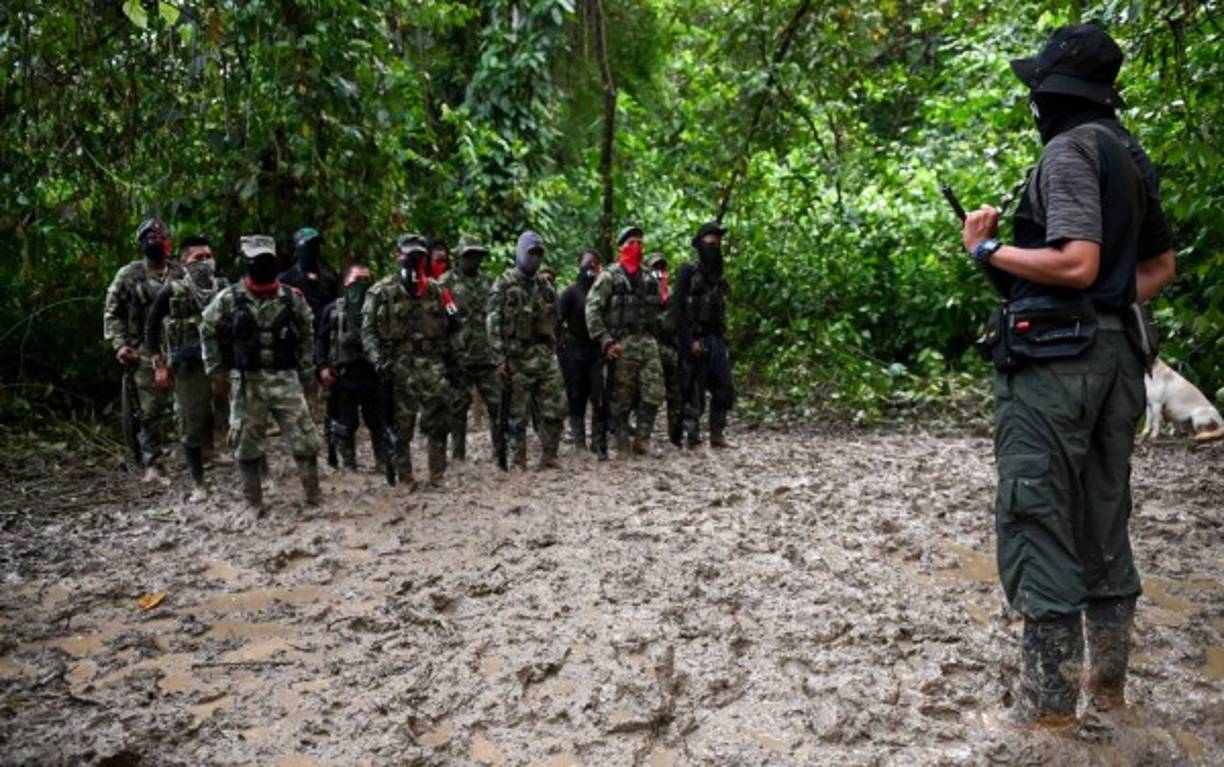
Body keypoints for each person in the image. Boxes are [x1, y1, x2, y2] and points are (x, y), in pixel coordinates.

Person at [962, 23, 1176, 726]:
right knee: (1105, 520)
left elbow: (1078, 260)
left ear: (1051, 93)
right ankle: (1107, 693)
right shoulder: (1128, 152)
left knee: (1038, 516)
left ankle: (1046, 707)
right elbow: (1157, 269)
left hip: (1056, 369)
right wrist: (1104, 305)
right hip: (1119, 361)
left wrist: (989, 248)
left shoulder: (1067, 150)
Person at [200, 235, 323, 512]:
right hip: (248, 381)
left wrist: (307, 373)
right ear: (246, 263)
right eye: (256, 260)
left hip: (285, 377)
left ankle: (313, 498)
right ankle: (253, 504)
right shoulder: (230, 298)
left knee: (305, 438)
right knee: (246, 443)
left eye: (267, 259)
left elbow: (307, 334)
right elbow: (207, 329)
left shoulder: (292, 298)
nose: (262, 265)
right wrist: (216, 371)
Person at [361, 234, 462, 487]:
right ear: (399, 256)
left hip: (432, 362)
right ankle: (405, 478)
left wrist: (452, 359)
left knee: (438, 420)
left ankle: (437, 476)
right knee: (401, 423)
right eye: (409, 256)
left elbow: (454, 326)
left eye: (419, 256)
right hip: (398, 364)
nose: (413, 261)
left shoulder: (438, 291)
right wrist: (377, 361)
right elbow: (368, 332)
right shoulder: (381, 292)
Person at [144, 235, 228, 500]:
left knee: (244, 417)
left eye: (208, 257)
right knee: (190, 424)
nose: (205, 262)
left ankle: (262, 475)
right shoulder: (173, 290)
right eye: (197, 258)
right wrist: (159, 365)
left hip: (224, 363)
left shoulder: (225, 287)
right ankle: (198, 485)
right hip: (189, 365)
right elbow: (151, 327)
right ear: (184, 263)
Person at [104, 218, 185, 482]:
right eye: (148, 238)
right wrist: (120, 344)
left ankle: (200, 452)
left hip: (181, 347)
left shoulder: (180, 273)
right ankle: (153, 462)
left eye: (159, 238)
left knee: (189, 403)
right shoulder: (129, 275)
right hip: (143, 352)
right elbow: (111, 312)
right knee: (148, 410)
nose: (154, 242)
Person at [487, 231, 565, 470]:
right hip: (516, 357)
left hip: (542, 355)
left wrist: (553, 347)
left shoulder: (545, 286)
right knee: (516, 414)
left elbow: (555, 318)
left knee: (555, 407)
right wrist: (500, 358)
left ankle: (549, 455)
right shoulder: (504, 283)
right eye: (531, 253)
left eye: (539, 254)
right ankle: (517, 460)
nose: (536, 259)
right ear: (520, 253)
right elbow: (492, 323)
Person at [585, 225, 665, 457]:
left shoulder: (649, 277)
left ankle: (642, 439)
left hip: (647, 342)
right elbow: (592, 310)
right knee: (621, 397)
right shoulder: (609, 276)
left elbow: (659, 310)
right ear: (621, 247)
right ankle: (621, 441)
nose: (636, 247)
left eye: (639, 243)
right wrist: (606, 341)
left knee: (654, 392)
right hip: (622, 343)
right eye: (631, 243)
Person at [438, 236, 504, 463]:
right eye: (469, 255)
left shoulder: (489, 283)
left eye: (477, 256)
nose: (473, 260)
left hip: (487, 356)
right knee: (458, 407)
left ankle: (499, 451)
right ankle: (458, 454)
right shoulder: (445, 283)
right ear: (460, 256)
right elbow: (439, 320)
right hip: (459, 357)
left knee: (497, 403)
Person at [316, 264, 385, 472]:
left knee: (377, 419)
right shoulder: (333, 310)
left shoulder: (378, 308)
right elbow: (321, 341)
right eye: (357, 280)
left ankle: (382, 461)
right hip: (344, 373)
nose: (362, 285)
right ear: (346, 283)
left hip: (372, 372)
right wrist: (322, 368)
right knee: (346, 421)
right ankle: (348, 464)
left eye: (366, 280)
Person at [672, 221, 735, 448]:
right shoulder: (687, 271)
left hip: (715, 338)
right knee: (693, 390)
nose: (715, 245)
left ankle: (717, 434)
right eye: (710, 240)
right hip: (693, 338)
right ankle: (692, 436)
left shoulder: (719, 275)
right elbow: (677, 309)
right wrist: (689, 340)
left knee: (724, 387)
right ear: (700, 243)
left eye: (718, 241)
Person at [557, 249, 607, 458]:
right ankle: (579, 442)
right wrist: (562, 348)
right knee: (576, 396)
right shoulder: (570, 293)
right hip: (574, 351)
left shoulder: (603, 291)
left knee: (599, 396)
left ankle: (598, 443)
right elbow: (557, 322)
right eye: (586, 263)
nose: (590, 267)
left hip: (596, 350)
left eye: (594, 263)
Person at [648, 252, 683, 447]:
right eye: (655, 268)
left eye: (661, 269)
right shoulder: (642, 294)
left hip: (671, 350)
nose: (658, 273)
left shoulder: (672, 295)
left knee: (676, 394)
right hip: (650, 349)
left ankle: (675, 436)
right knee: (648, 394)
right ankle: (641, 435)